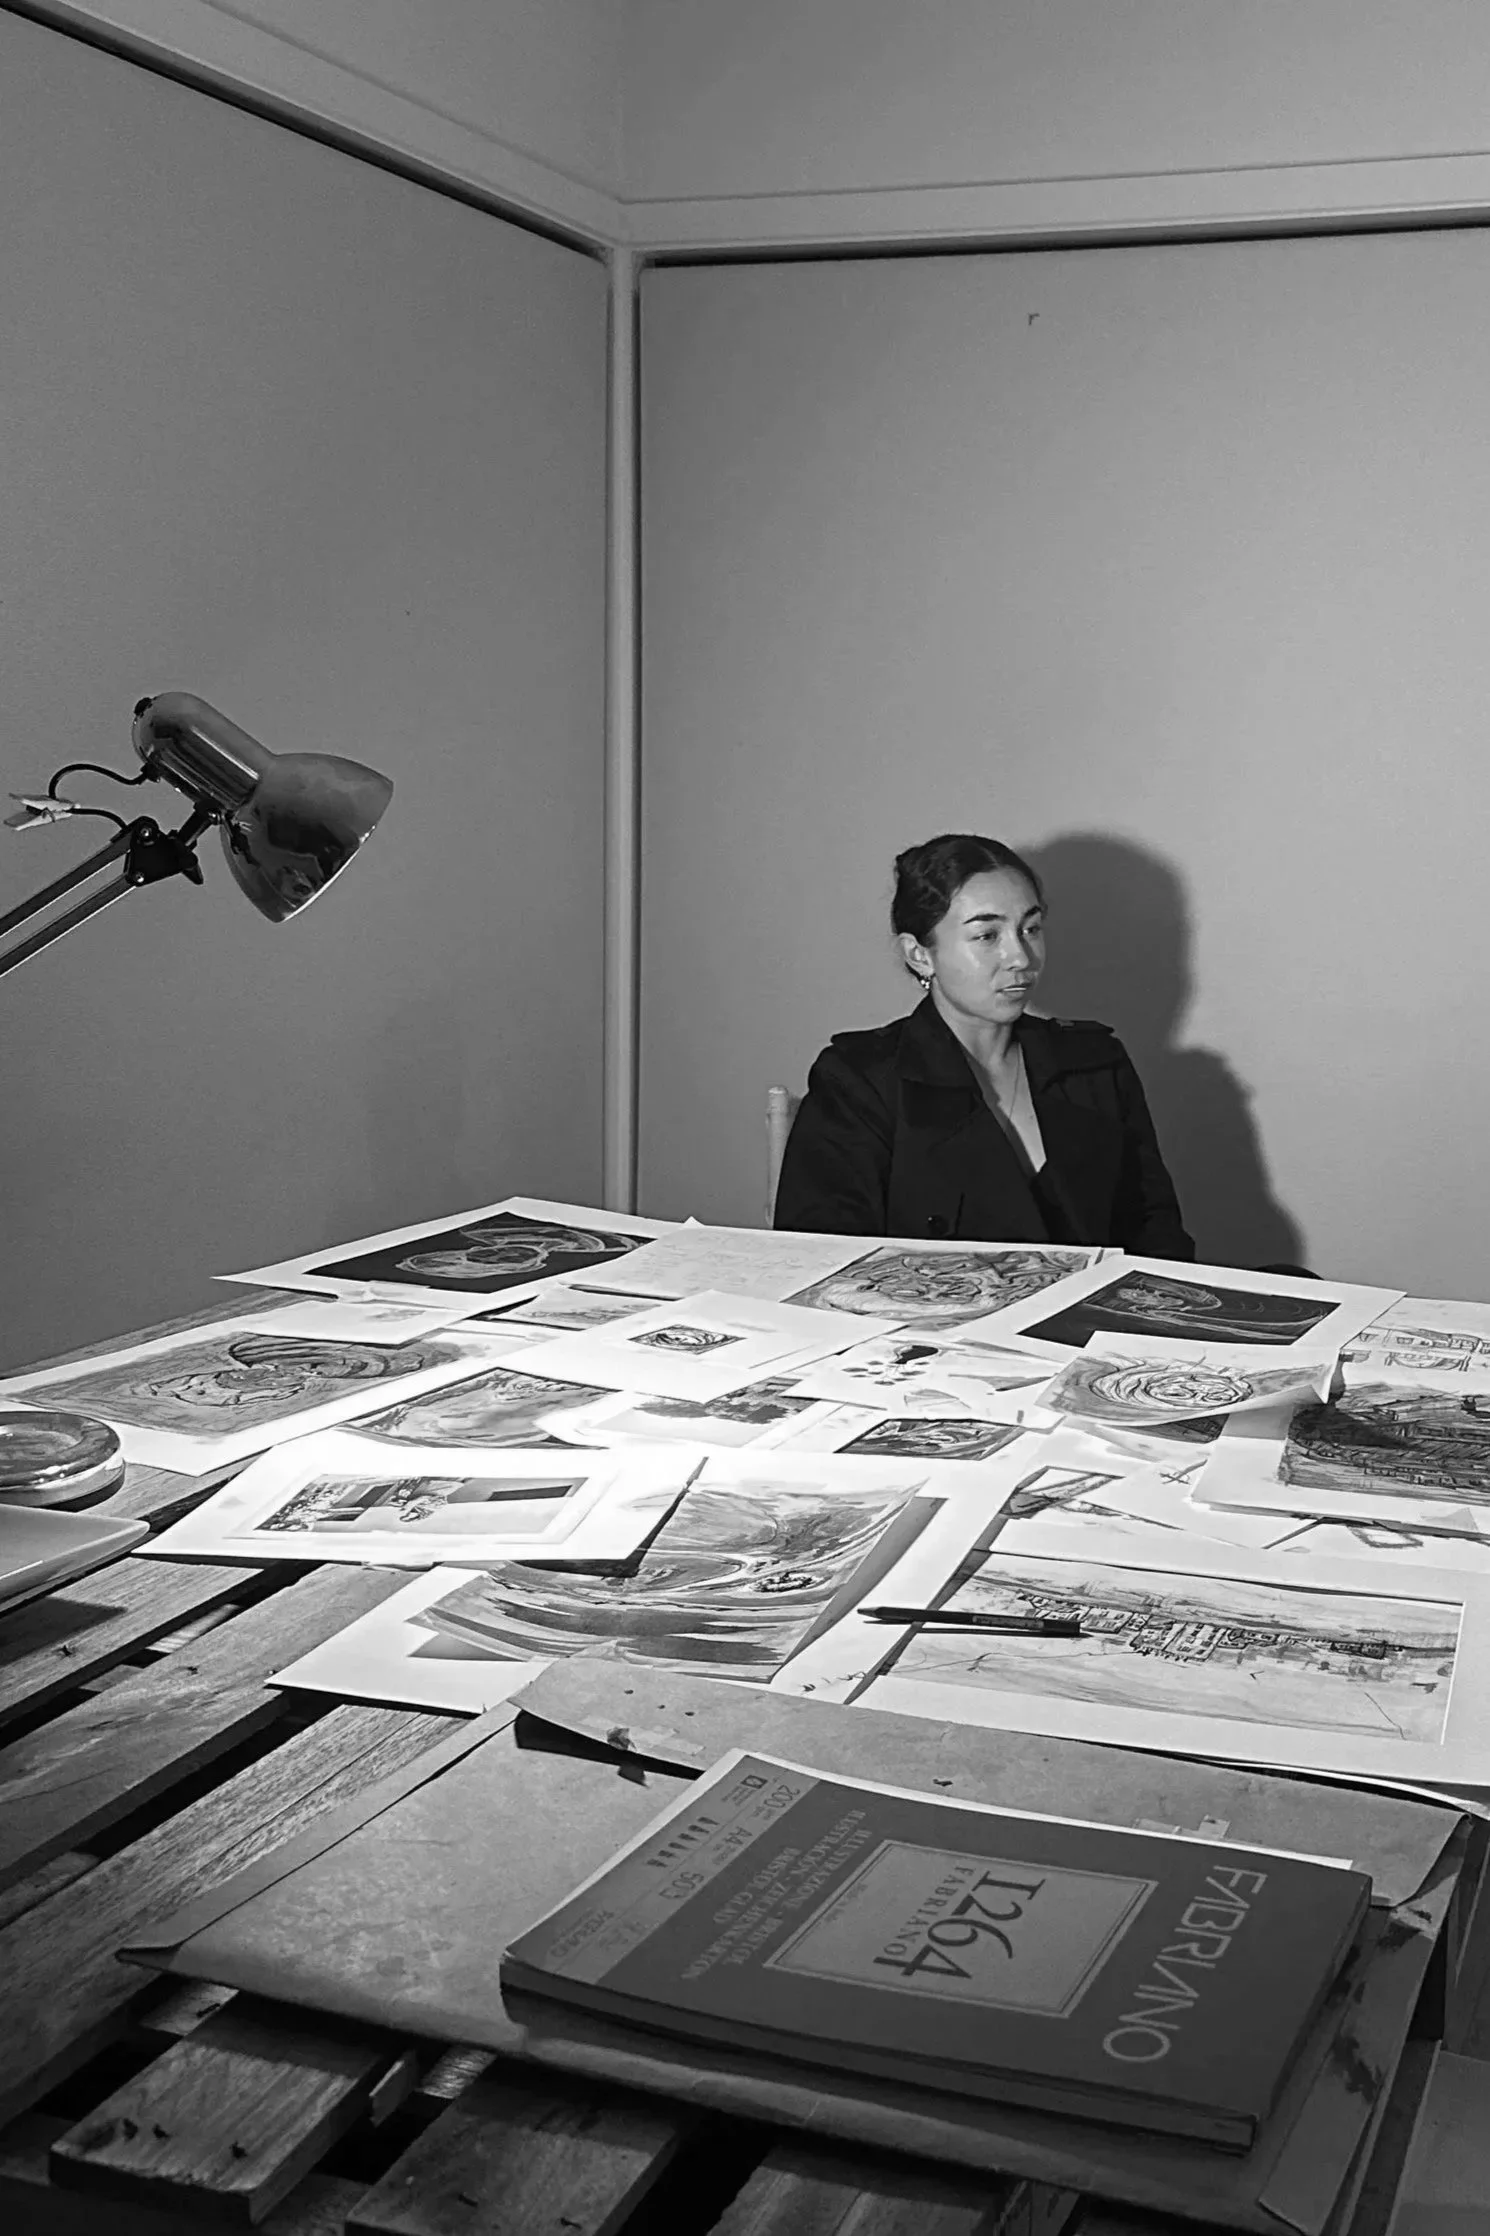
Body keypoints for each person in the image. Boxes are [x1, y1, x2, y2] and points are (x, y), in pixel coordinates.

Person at [773, 831, 1194, 1257]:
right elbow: (823, 1262)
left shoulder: (1095, 1064)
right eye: (987, 936)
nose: (1021, 958)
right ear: (920, 954)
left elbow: (1156, 1235)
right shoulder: (859, 1081)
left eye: (1030, 928)